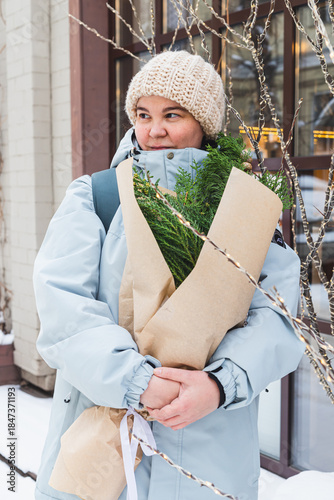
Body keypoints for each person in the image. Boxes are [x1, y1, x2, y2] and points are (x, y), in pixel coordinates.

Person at [33, 50, 305, 500]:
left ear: (205, 122)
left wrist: (219, 385)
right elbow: (64, 304)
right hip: (105, 442)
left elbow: (275, 316)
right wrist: (135, 380)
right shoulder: (98, 198)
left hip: (210, 444)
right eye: (143, 114)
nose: (154, 129)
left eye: (172, 114)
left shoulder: (245, 208)